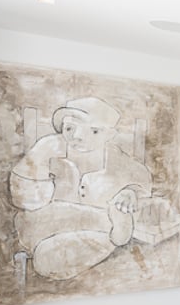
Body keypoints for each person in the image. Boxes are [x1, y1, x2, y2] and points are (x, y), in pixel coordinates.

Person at [10, 96, 153, 280]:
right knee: (45, 241)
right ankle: (115, 234)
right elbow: (22, 190)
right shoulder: (49, 146)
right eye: (69, 128)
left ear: (108, 135)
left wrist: (130, 191)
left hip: (90, 230)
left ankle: (114, 234)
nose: (77, 137)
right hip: (45, 220)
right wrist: (38, 180)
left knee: (52, 257)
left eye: (94, 131)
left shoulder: (114, 157)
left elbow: (140, 176)